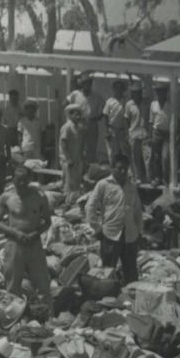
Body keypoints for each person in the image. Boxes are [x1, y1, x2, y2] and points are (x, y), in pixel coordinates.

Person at [0, 162, 53, 304]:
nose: (21, 183)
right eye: (18, 179)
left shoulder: (39, 196)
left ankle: (46, 316)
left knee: (42, 283)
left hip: (34, 244)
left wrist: (35, 234)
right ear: (12, 179)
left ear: (30, 179)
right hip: (15, 244)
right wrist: (15, 233)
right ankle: (14, 318)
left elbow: (48, 221)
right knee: (13, 285)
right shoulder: (7, 197)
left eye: (25, 179)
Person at [86, 154, 144, 285]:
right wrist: (97, 228)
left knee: (131, 272)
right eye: (119, 168)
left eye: (125, 168)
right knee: (108, 271)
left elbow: (138, 211)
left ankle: (131, 298)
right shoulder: (103, 185)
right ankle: (107, 299)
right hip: (110, 234)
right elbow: (90, 207)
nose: (123, 171)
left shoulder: (131, 187)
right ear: (112, 168)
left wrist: (140, 232)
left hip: (130, 235)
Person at [67, 75, 103, 164]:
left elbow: (105, 108)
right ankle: (79, 166)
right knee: (79, 145)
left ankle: (89, 167)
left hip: (92, 123)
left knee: (91, 147)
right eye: (86, 83)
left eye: (90, 83)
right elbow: (65, 104)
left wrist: (98, 117)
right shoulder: (75, 94)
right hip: (79, 123)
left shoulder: (96, 96)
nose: (88, 85)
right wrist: (71, 117)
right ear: (82, 84)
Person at [59, 104, 85, 203]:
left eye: (79, 114)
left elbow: (81, 142)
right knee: (69, 182)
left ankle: (75, 201)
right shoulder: (67, 127)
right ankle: (67, 202)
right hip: (68, 160)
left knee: (77, 182)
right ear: (70, 115)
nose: (78, 117)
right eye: (76, 114)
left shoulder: (78, 127)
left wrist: (81, 156)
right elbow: (63, 143)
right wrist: (68, 158)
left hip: (77, 158)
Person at [148, 84, 172, 186]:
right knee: (156, 157)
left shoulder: (170, 105)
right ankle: (158, 178)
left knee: (165, 157)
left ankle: (166, 179)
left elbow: (176, 120)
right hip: (156, 132)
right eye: (158, 92)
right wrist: (150, 136)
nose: (159, 94)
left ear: (166, 93)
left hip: (167, 133)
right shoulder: (153, 104)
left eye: (162, 92)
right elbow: (150, 121)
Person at [103, 79, 130, 165]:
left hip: (123, 130)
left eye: (120, 88)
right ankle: (112, 168)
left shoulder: (126, 101)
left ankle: (126, 171)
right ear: (114, 89)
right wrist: (107, 131)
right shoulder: (109, 101)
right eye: (117, 88)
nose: (119, 90)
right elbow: (106, 116)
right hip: (112, 129)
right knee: (112, 152)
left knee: (125, 151)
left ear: (123, 89)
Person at [125, 82, 148, 181]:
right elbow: (126, 119)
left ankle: (147, 177)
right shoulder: (129, 104)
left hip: (144, 133)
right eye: (134, 92)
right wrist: (127, 134)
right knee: (135, 157)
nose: (136, 94)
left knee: (146, 157)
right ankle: (137, 177)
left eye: (138, 92)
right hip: (134, 133)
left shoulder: (146, 103)